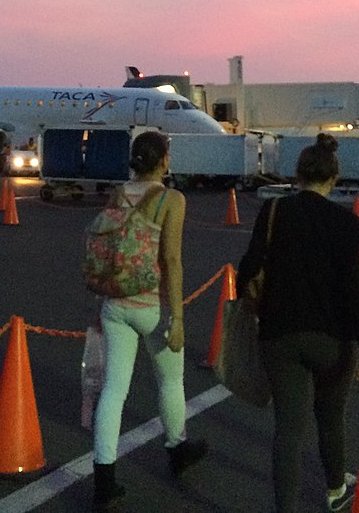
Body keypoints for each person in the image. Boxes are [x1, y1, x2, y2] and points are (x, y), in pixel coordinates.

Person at [237, 134, 359, 513]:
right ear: (334, 177)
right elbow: (353, 290)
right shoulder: (346, 223)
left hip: (280, 333)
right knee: (330, 418)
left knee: (289, 430)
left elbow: (248, 267)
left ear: (297, 175)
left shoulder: (274, 212)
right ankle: (334, 491)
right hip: (332, 339)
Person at [92, 130, 206, 511]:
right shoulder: (172, 199)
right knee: (171, 380)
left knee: (113, 391)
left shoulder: (117, 194)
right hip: (151, 306)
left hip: (115, 303)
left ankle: (104, 479)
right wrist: (178, 317)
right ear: (164, 161)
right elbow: (172, 260)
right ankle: (177, 448)